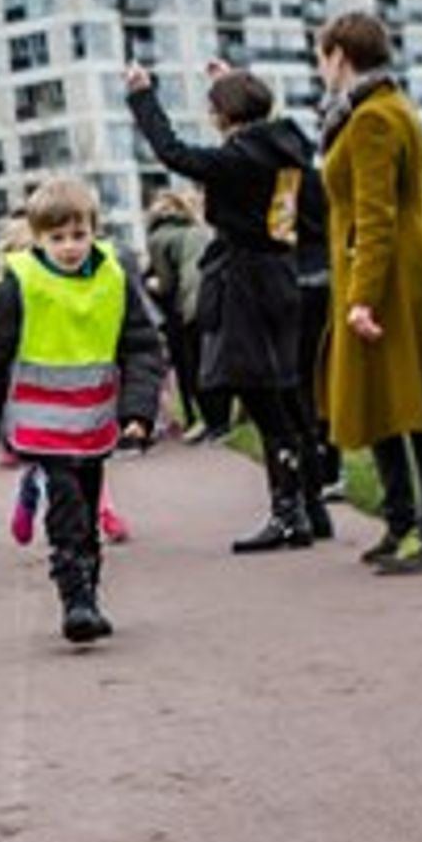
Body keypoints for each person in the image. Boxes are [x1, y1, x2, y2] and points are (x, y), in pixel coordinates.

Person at [125, 58, 332, 553]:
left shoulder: (237, 160)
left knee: (263, 400)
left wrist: (142, 97)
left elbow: (172, 152)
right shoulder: (289, 150)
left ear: (222, 114)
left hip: (246, 283)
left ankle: (287, 515)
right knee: (291, 397)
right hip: (284, 275)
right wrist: (228, 82)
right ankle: (311, 507)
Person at [0, 178, 164, 643]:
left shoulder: (114, 277)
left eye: (79, 235)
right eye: (57, 238)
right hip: (41, 418)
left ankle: (89, 590)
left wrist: (138, 411)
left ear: (95, 230)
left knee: (88, 505)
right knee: (67, 503)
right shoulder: (21, 282)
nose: (70, 247)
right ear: (37, 238)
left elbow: (141, 346)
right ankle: (74, 598)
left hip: (94, 416)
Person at [314, 11, 422, 574]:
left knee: (414, 398)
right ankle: (401, 521)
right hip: (390, 265)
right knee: (380, 396)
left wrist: (362, 297)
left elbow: (376, 216)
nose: (319, 68)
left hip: (393, 272)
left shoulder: (373, 120)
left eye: (321, 56)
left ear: (340, 55)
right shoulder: (380, 108)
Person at [142, 189, 216, 439]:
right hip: (214, 299)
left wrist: (150, 284)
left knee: (189, 366)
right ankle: (219, 420)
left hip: (187, 307)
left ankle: (198, 418)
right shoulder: (198, 231)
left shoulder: (158, 238)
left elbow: (166, 283)